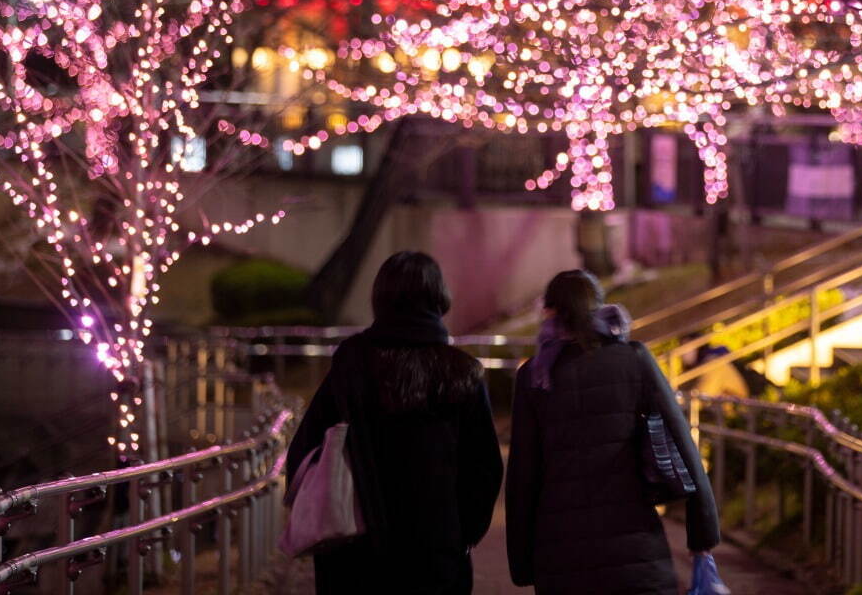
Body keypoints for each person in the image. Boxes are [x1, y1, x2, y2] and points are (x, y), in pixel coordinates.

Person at [286, 251, 503, 595]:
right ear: (439, 296)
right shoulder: (463, 372)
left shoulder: (352, 362)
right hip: (435, 553)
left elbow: (305, 450)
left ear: (380, 296)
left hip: (354, 551)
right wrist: (461, 534)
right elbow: (484, 468)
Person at [506, 269, 720, 594]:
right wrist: (702, 534)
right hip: (636, 550)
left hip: (562, 555)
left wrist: (522, 562)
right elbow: (681, 440)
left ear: (551, 312)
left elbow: (523, 476)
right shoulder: (633, 359)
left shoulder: (534, 377)